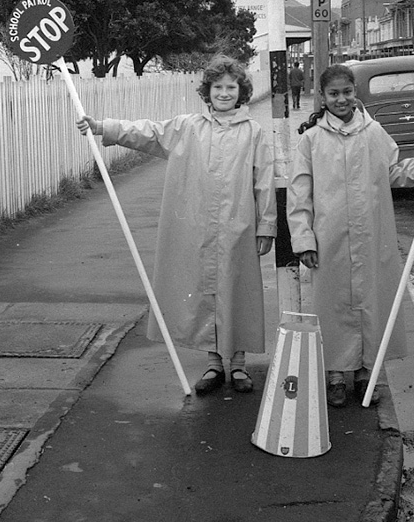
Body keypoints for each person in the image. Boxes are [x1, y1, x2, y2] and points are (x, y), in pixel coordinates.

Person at [76, 55, 276, 396]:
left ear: (241, 91)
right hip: (198, 228)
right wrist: (102, 127)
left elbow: (264, 181)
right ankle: (214, 363)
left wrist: (266, 226)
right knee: (205, 291)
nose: (224, 93)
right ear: (207, 91)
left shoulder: (253, 133)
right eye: (218, 87)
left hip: (238, 227)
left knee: (237, 292)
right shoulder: (188, 127)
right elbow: (147, 132)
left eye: (231, 87)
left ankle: (239, 364)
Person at [287, 64, 414, 408]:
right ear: (323, 97)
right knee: (331, 306)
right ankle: (334, 374)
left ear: (354, 93)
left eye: (347, 92)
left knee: (371, 304)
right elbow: (300, 193)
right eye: (334, 94)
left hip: (371, 235)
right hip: (329, 239)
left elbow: (394, 171)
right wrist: (303, 239)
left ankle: (365, 373)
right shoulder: (311, 140)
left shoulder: (373, 133)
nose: (341, 99)